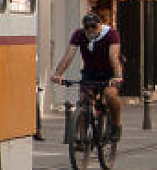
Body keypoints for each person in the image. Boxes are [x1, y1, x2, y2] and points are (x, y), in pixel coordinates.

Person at [52, 8, 124, 140]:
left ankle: (116, 125)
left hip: (110, 73)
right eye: (87, 27)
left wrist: (117, 76)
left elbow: (113, 56)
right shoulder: (79, 35)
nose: (90, 30)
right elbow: (69, 55)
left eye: (93, 26)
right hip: (90, 72)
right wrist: (58, 74)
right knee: (84, 101)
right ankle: (82, 139)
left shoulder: (111, 34)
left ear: (100, 25)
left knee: (110, 95)